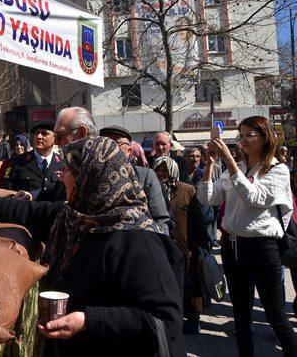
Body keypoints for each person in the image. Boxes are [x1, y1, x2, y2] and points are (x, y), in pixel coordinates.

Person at [0, 137, 185, 356]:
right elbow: (29, 212)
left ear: (90, 177)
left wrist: (87, 321)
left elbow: (164, 320)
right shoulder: (75, 219)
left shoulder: (138, 239)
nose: (61, 175)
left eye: (68, 170)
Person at [197, 116, 297, 356]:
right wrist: (210, 165)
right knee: (241, 315)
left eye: (249, 134)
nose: (243, 140)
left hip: (263, 248)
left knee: (276, 316)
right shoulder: (239, 167)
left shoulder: (278, 169)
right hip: (233, 246)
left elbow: (255, 198)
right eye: (241, 135)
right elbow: (208, 198)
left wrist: (229, 160)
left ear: (265, 137)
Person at [153, 156, 210, 335]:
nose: (162, 174)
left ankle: (193, 318)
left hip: (186, 247)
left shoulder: (187, 190)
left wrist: (201, 246)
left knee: (190, 284)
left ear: (173, 171)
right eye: (158, 170)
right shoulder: (149, 191)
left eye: (165, 170)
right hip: (160, 246)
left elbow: (198, 220)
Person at [100, 126, 173, 233]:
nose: (109, 148)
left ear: (129, 151)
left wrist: (162, 245)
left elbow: (160, 218)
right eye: (104, 144)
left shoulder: (145, 175)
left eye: (116, 144)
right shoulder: (91, 177)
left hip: (140, 241)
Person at [10, 120, 64, 201]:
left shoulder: (62, 163)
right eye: (36, 133)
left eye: (44, 133)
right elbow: (8, 191)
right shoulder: (18, 161)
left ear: (55, 138)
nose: (38, 136)